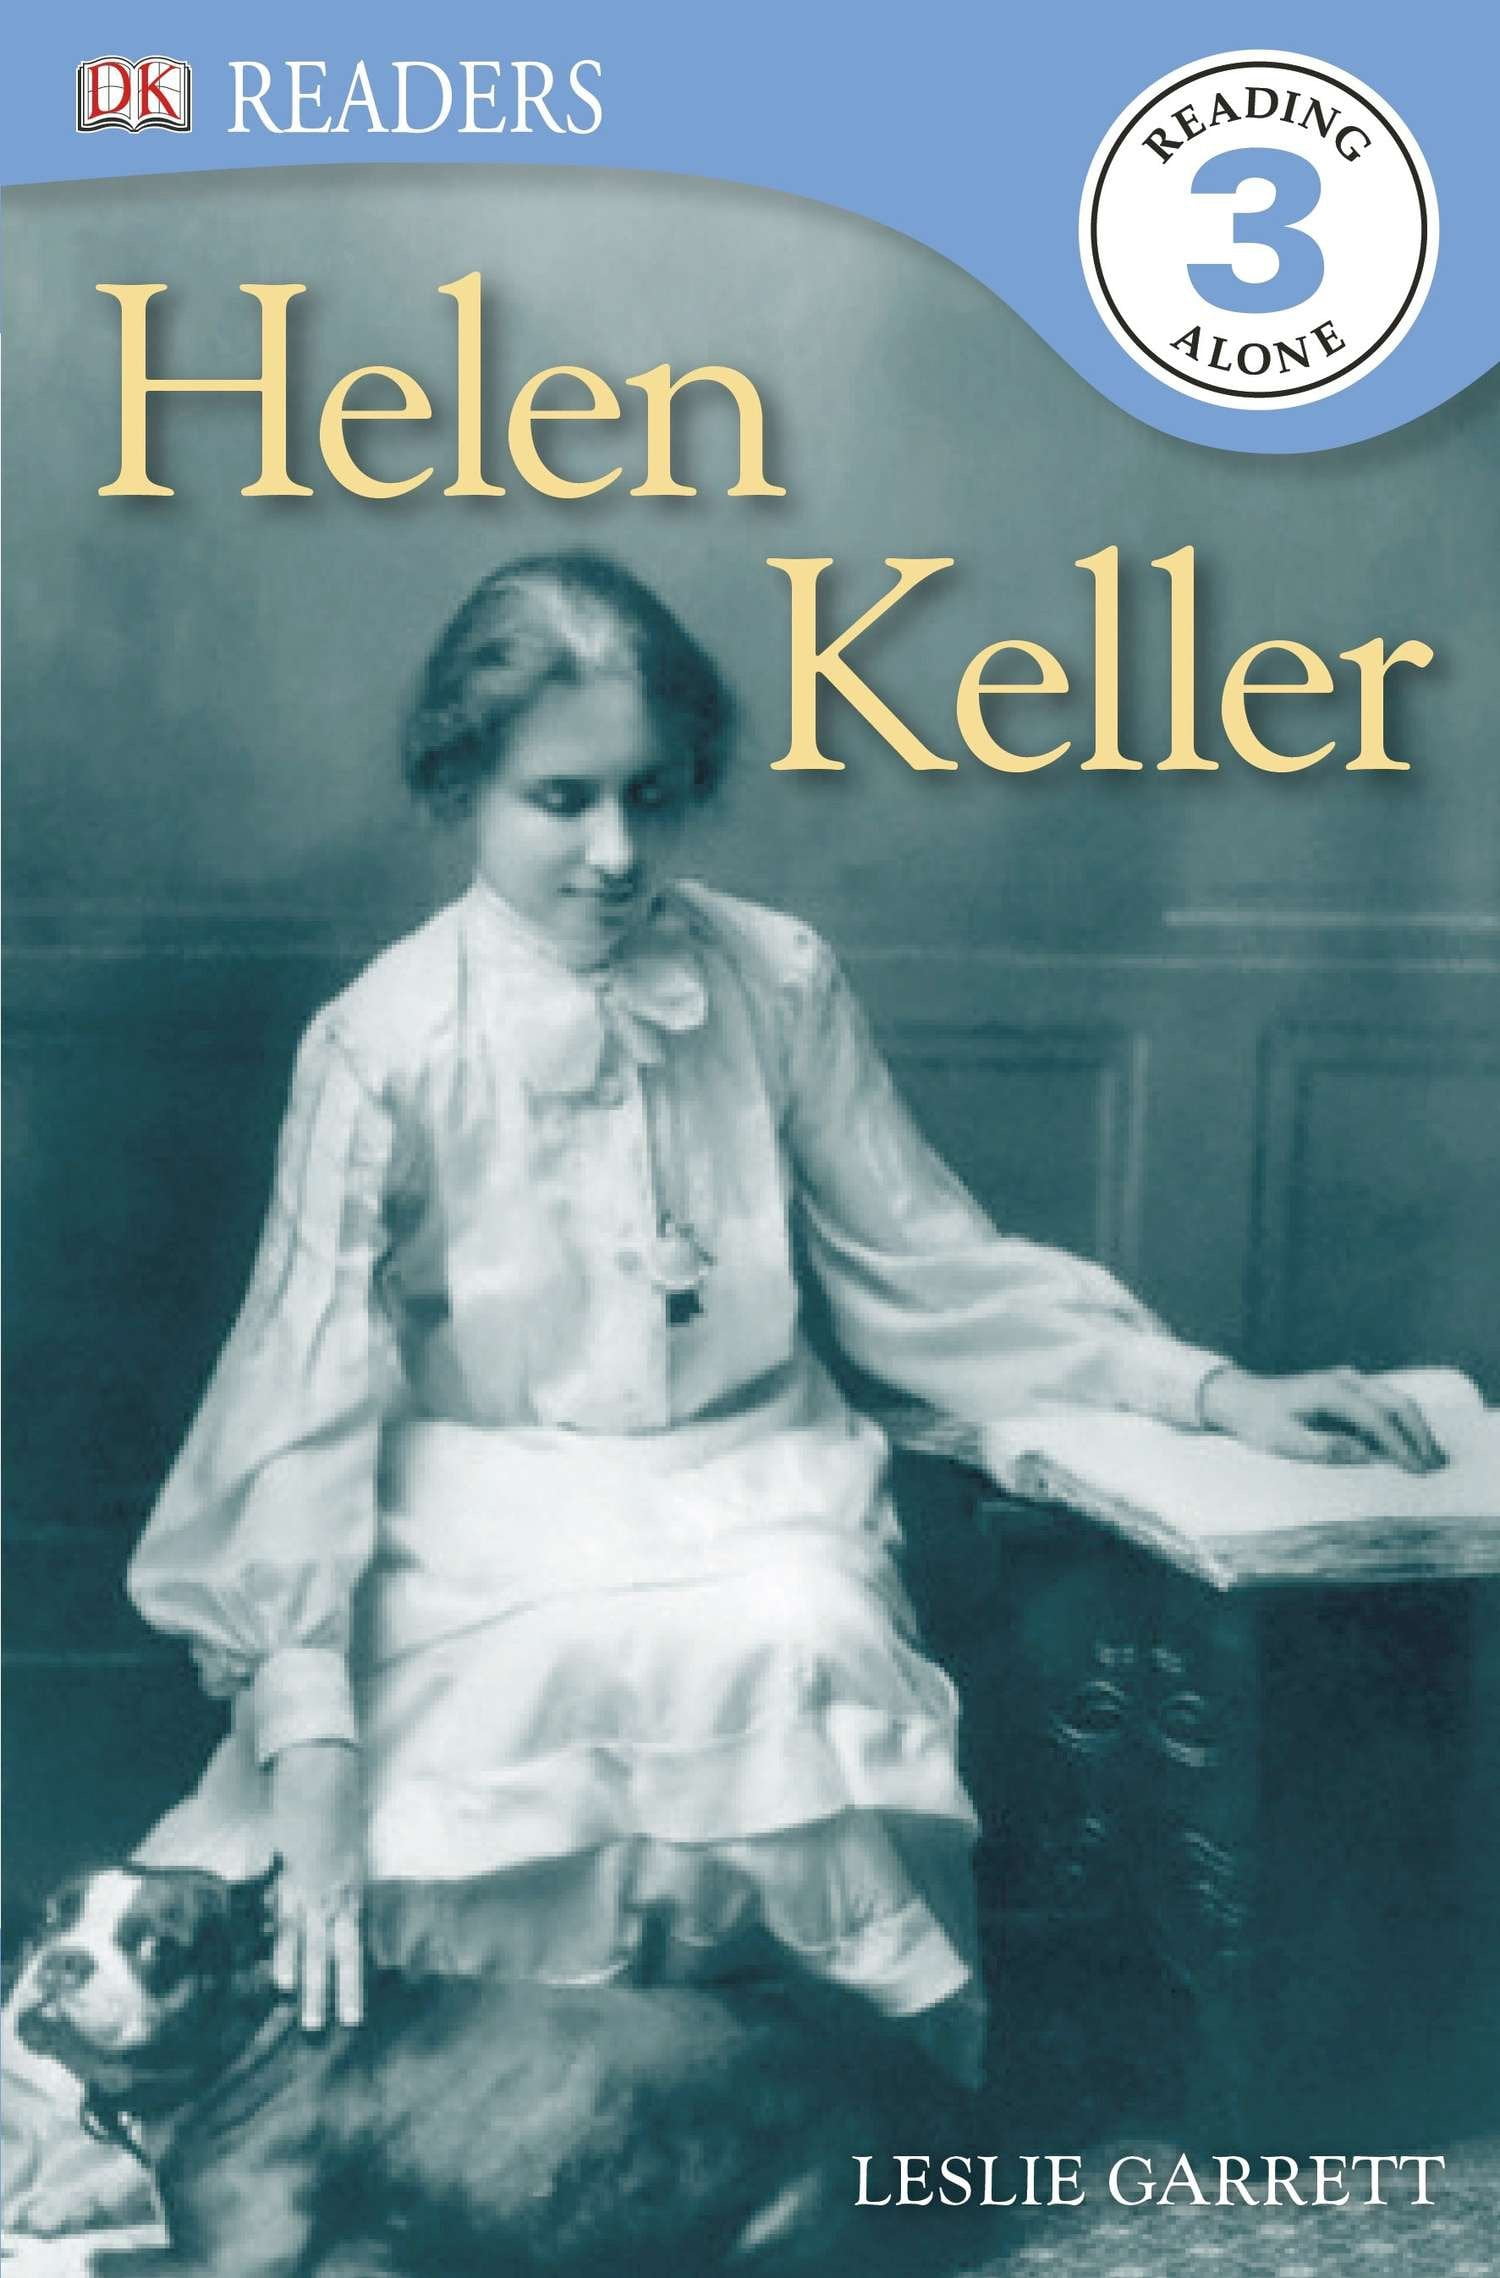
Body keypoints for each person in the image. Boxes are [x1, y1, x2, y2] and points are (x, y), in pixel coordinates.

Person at [3, 551, 1443, 2230]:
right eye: (561, 800)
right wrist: (307, 1731)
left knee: (792, 1634)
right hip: (479, 1489)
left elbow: (930, 1263)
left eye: (653, 795)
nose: (616, 851)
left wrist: (1208, 1388)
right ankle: (467, 2145)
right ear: (461, 786)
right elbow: (300, 1401)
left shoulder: (774, 978)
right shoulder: (382, 1041)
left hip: (748, 1469)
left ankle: (767, 2134)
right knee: (506, 1689)